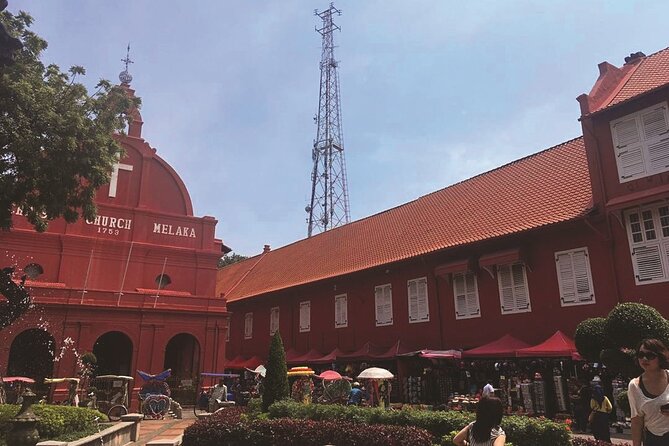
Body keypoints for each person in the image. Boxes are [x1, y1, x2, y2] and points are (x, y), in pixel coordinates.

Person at [628, 338, 669, 446]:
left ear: (660, 357)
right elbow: (636, 421)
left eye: (650, 355)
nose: (644, 359)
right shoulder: (635, 386)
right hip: (653, 440)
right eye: (641, 355)